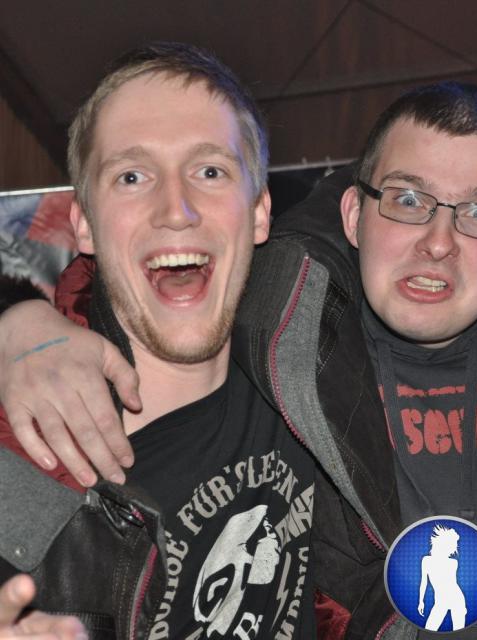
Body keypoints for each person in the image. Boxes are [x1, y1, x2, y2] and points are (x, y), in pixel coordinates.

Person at [2, 80, 477, 640]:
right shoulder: (304, 346)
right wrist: (17, 320)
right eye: (407, 202)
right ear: (353, 218)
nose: (438, 242)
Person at [0, 42, 317, 640]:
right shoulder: (24, 468)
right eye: (132, 176)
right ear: (84, 225)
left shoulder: (314, 371)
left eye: (210, 171)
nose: (176, 209)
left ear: (259, 212)